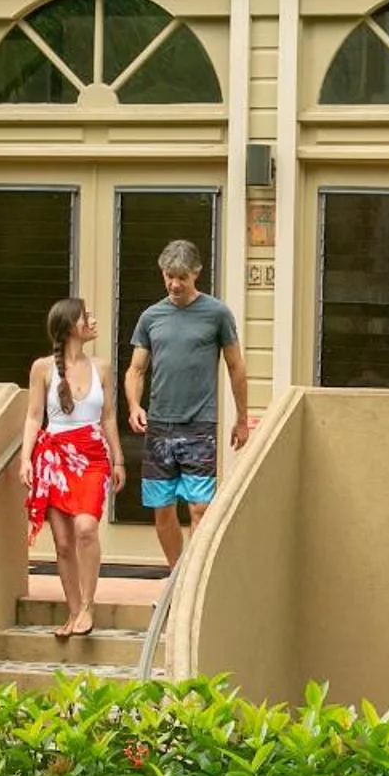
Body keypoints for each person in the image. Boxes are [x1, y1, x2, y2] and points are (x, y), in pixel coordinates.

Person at [125, 237, 249, 566]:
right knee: (162, 507)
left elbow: (236, 367)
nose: (175, 283)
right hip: (160, 425)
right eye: (169, 276)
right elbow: (136, 369)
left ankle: (192, 575)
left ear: (196, 273)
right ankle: (177, 573)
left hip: (199, 424)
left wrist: (241, 418)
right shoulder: (151, 317)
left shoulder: (217, 314)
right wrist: (135, 406)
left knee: (200, 507)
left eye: (182, 276)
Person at [20, 296, 123, 639]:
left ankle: (89, 606)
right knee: (63, 542)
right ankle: (74, 610)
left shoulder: (103, 368)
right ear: (70, 326)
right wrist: (25, 459)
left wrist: (118, 458)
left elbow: (108, 416)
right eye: (86, 316)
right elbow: (35, 416)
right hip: (53, 458)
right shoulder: (43, 368)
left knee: (85, 528)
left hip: (91, 456)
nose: (92, 320)